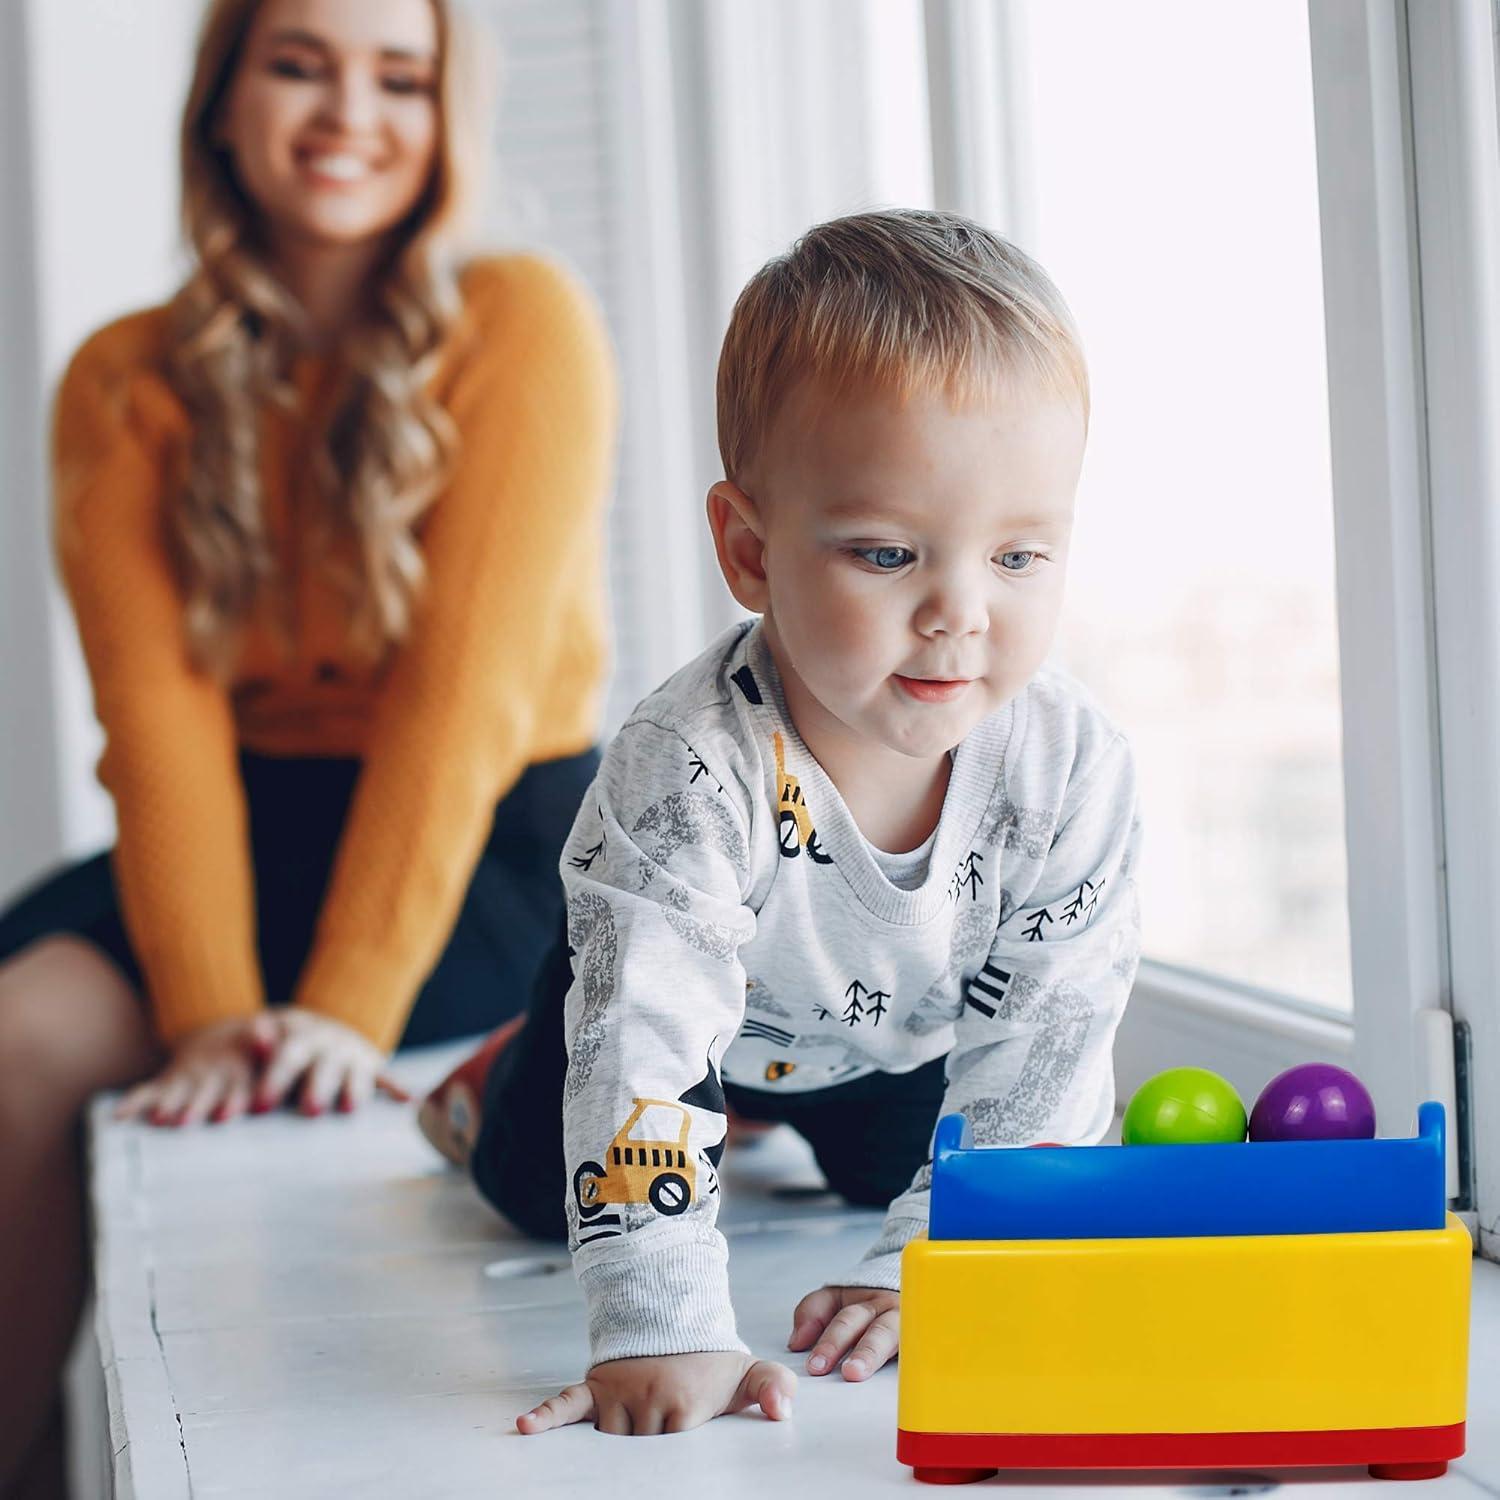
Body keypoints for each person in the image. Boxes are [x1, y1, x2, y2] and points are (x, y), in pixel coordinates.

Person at [0, 0, 616, 1492]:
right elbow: (156, 723)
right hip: (233, 829)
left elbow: (456, 708)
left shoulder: (521, 321)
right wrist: (210, 1008)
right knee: (20, 1042)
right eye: (299, 63)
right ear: (223, 99)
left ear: (443, 111)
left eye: (399, 76)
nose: (351, 112)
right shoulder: (121, 376)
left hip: (483, 842)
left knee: (320, 1117)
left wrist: (340, 1005)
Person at [418, 207, 1144, 1437]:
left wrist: (946, 1264)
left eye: (1020, 559)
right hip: (664, 1011)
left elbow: (1049, 1042)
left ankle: (775, 1119)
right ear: (750, 552)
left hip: (893, 1043)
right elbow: (644, 1046)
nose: (959, 613)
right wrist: (667, 1330)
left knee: (897, 1181)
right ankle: (488, 1081)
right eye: (887, 554)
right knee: (542, 1188)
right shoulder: (685, 766)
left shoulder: (1069, 764)